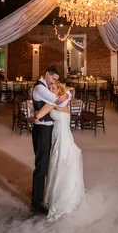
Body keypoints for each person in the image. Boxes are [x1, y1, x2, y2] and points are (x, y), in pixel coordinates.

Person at [33, 78, 86, 221]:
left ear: (59, 90)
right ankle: (55, 196)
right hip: (57, 136)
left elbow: (42, 112)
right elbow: (70, 91)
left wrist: (37, 116)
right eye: (49, 89)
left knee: (60, 166)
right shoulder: (60, 100)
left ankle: (61, 198)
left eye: (53, 89)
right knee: (56, 166)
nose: (51, 92)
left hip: (63, 139)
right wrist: (66, 94)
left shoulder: (56, 103)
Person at [30, 65, 69, 216]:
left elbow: (60, 99)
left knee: (48, 165)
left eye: (56, 80)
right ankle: (36, 203)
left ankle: (43, 194)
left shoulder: (46, 87)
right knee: (41, 165)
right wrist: (66, 96)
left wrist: (66, 95)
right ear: (46, 74)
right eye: (52, 78)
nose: (54, 82)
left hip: (49, 129)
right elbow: (58, 102)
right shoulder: (40, 88)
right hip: (42, 131)